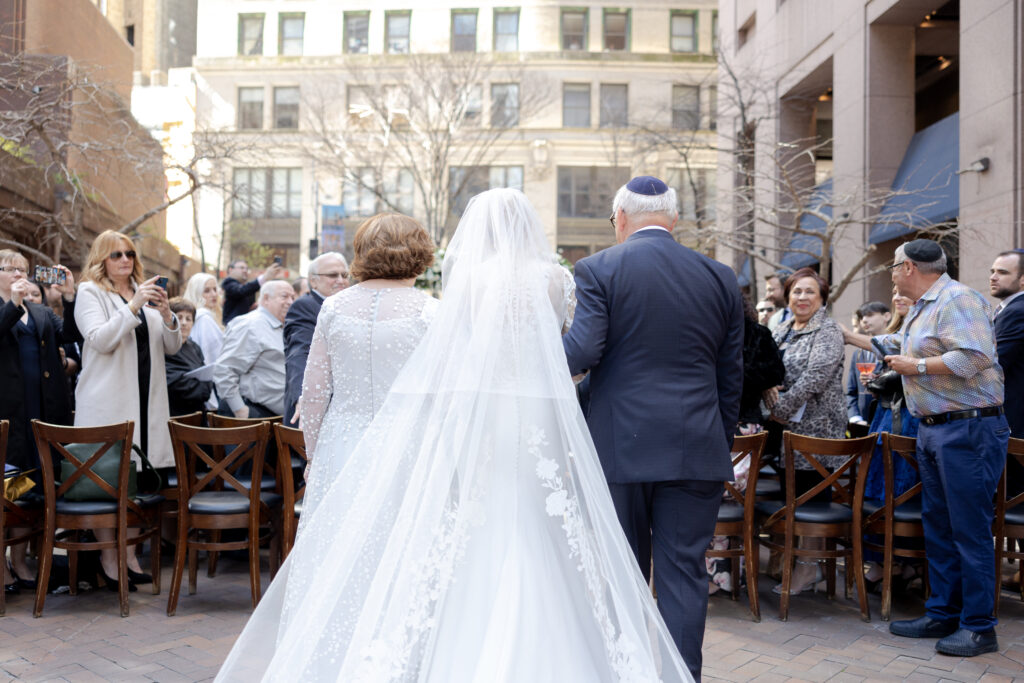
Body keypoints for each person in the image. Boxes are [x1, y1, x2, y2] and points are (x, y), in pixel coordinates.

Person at [216, 188, 695, 683]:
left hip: (466, 416)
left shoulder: (451, 285)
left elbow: (441, 367)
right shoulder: (553, 278)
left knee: (467, 520)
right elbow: (571, 350)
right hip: (540, 414)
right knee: (543, 514)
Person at [562, 176, 742, 680]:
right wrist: (717, 438)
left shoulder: (598, 268)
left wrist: (526, 354)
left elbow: (583, 351)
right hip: (696, 446)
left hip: (621, 447)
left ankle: (626, 671)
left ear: (620, 218)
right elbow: (732, 376)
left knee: (622, 571)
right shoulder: (719, 275)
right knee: (685, 572)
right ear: (674, 219)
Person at [871, 239, 1007, 657]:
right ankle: (943, 613)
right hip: (935, 429)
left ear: (909, 267)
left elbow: (974, 357)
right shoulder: (927, 305)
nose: (891, 272)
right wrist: (852, 337)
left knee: (969, 531)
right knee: (940, 529)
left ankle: (979, 627)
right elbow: (906, 350)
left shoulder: (957, 299)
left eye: (894, 266)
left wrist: (918, 367)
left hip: (967, 430)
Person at [75, 230, 181, 589]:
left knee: (137, 480)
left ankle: (130, 555)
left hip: (146, 400)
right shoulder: (91, 292)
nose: (125, 260)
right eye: (116, 254)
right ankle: (109, 558)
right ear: (102, 259)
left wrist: (167, 315)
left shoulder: (144, 293)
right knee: (109, 481)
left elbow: (171, 347)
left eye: (130, 254)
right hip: (108, 401)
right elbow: (100, 340)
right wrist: (134, 305)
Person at [762, 266, 846, 595]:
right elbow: (767, 370)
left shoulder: (828, 330)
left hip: (817, 431)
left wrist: (777, 410)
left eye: (810, 291)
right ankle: (790, 559)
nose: (802, 297)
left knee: (812, 501)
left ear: (822, 297)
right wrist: (770, 397)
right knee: (791, 498)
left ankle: (810, 569)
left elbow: (815, 379)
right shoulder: (780, 328)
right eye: (797, 291)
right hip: (784, 433)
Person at [0, 251, 77, 593]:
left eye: (23, 269)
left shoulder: (42, 312)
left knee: (30, 489)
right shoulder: (8, 310)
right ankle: (2, 566)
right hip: (8, 418)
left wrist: (71, 297)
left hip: (42, 415)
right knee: (8, 492)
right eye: (10, 268)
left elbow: (73, 334)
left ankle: (19, 561)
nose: (19, 273)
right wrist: (13, 303)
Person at [708, 292, 783, 595]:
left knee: (719, 493)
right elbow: (774, 373)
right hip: (736, 425)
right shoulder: (751, 333)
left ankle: (720, 572)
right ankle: (724, 573)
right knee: (722, 495)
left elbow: (776, 372)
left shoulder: (717, 332)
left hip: (726, 425)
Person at [989, 250, 1024, 590]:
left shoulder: (1018, 310)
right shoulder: (1006, 309)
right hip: (1013, 421)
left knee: (1016, 495)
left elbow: (993, 362)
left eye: (1003, 271)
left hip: (1015, 423)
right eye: (992, 270)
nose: (994, 276)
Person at [283, 252, 350, 425]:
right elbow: (299, 352)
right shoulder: (304, 306)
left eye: (344, 275)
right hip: (311, 412)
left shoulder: (349, 308)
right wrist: (302, 396)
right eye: (333, 275)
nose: (341, 280)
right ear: (313, 281)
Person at [213, 280, 294, 419]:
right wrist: (240, 410)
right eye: (284, 296)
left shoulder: (280, 326)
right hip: (252, 416)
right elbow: (224, 369)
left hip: (273, 417)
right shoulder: (250, 325)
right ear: (266, 298)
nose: (290, 302)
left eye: (293, 297)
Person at [845, 301, 891, 434]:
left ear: (886, 316)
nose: (864, 320)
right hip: (862, 423)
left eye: (870, 315)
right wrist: (854, 417)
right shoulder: (858, 353)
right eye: (861, 317)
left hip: (888, 421)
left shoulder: (897, 348)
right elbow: (851, 391)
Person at [165, 298, 214, 418]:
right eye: (179, 317)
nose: (184, 323)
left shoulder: (195, 347)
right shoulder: (165, 348)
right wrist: (203, 388)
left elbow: (207, 377)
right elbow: (174, 382)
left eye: (188, 319)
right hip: (175, 416)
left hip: (198, 414)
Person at [221, 259, 283, 325]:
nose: (245, 271)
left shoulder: (246, 287)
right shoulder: (228, 283)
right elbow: (242, 291)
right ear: (231, 270)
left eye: (246, 268)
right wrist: (264, 277)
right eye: (241, 268)